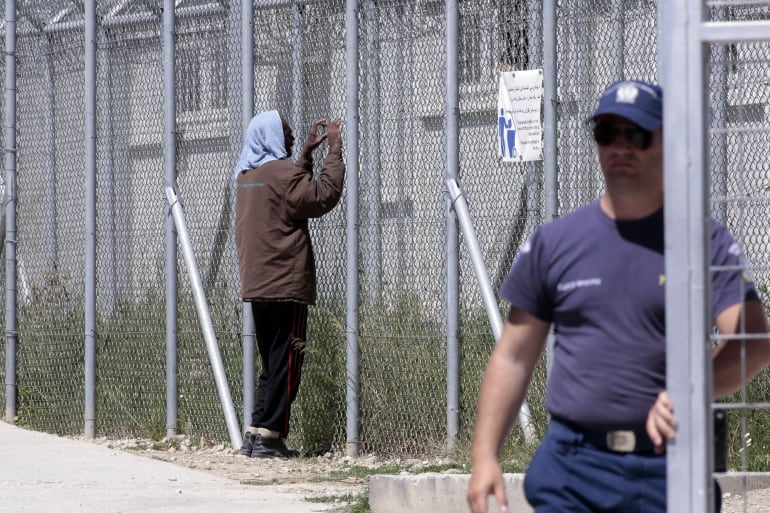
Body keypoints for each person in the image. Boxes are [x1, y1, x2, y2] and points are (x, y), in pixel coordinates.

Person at [466, 79, 770, 513]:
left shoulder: (704, 242)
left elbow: (752, 344)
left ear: (666, 140)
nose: (621, 146)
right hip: (572, 469)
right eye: (608, 132)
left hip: (668, 467)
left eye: (638, 133)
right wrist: (484, 458)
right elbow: (512, 356)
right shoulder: (555, 243)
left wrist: (690, 387)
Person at [233, 111, 345, 459]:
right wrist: (334, 151)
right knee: (289, 360)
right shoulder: (282, 174)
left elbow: (288, 196)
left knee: (273, 360)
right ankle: (269, 436)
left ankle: (256, 430)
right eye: (285, 131)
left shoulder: (247, 175)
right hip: (284, 282)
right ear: (269, 136)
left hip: (258, 282)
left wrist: (305, 156)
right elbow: (320, 197)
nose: (293, 135)